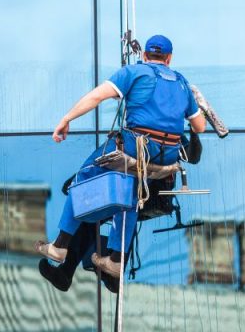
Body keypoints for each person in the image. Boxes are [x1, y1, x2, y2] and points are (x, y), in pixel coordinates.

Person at [36, 35, 206, 279]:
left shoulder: (134, 72)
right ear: (169, 58)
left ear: (145, 55)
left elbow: (96, 97)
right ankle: (116, 259)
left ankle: (60, 247)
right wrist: (197, 107)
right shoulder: (182, 82)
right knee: (130, 197)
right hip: (165, 158)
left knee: (81, 180)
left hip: (136, 148)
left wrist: (66, 119)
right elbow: (198, 127)